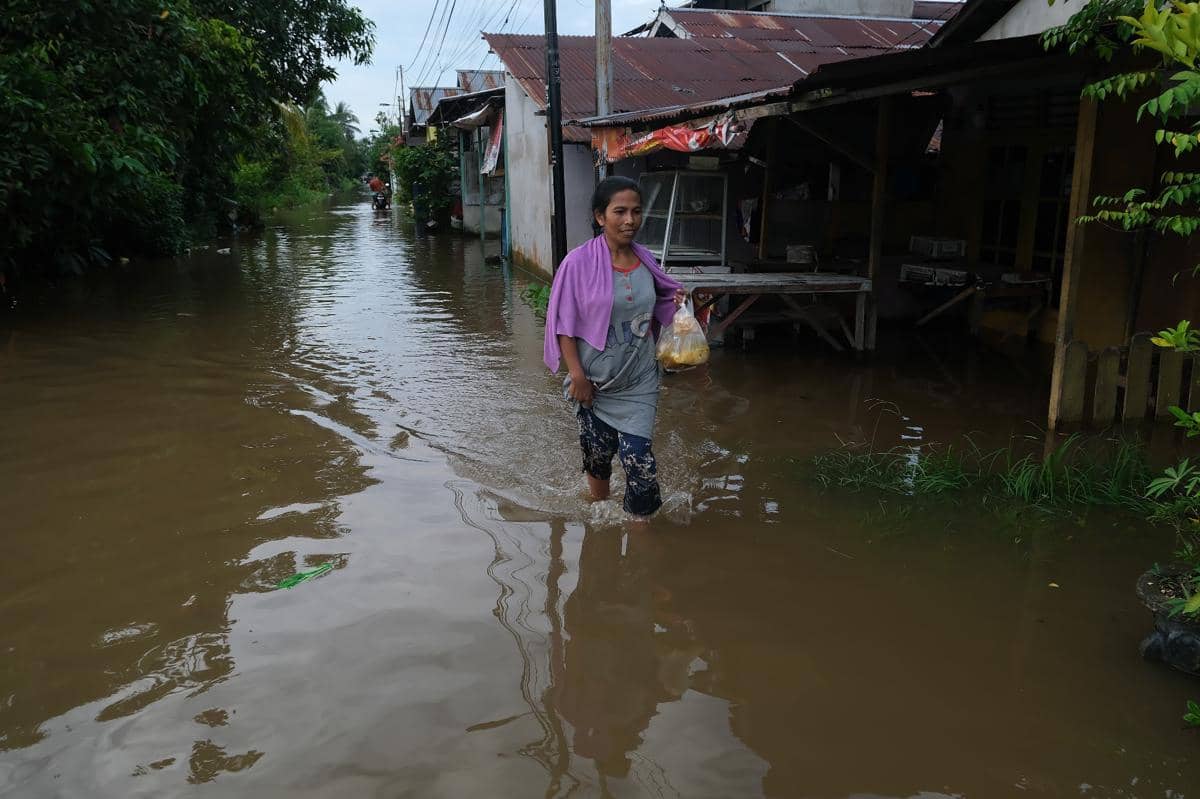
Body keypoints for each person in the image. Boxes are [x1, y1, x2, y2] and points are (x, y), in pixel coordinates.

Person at [543, 177, 686, 518]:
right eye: (619, 212)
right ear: (600, 217)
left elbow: (659, 303)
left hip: (639, 381)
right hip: (595, 383)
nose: (629, 220)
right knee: (598, 457)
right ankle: (599, 515)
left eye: (636, 211)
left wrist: (676, 304)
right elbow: (564, 325)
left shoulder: (646, 260)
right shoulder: (578, 263)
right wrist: (577, 376)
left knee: (639, 461)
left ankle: (642, 533)